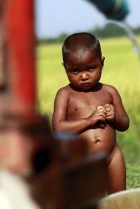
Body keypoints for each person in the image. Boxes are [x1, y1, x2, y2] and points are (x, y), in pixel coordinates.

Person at [52, 32, 130, 194]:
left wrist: (114, 117)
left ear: (102, 62)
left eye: (90, 68)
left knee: (119, 199)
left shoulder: (109, 92)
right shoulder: (65, 94)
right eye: (75, 71)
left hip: (112, 156)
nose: (84, 76)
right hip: (80, 159)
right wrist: (89, 120)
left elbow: (125, 123)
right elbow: (58, 129)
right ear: (64, 67)